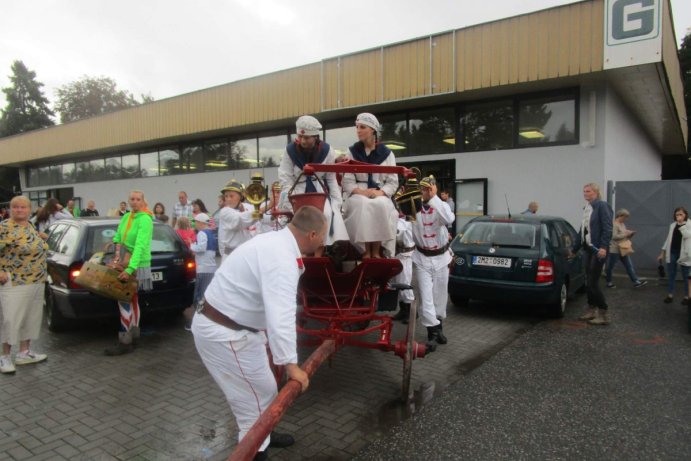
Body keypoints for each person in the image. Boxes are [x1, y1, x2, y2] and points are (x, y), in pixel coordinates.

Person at [191, 206, 326, 460]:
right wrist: (290, 365)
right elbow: (281, 314)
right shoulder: (281, 258)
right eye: (322, 236)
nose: (323, 241)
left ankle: (266, 435)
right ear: (311, 236)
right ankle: (256, 451)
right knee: (251, 407)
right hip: (225, 334)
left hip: (236, 329)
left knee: (264, 390)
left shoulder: (275, 242)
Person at [278, 115, 348, 254]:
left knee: (326, 213)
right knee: (299, 218)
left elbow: (331, 178)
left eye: (307, 137)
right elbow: (285, 177)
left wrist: (336, 201)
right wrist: (289, 198)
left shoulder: (327, 151)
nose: (303, 140)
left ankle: (319, 254)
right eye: (300, 136)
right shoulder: (289, 151)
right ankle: (301, 253)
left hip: (319, 190)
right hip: (297, 189)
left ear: (315, 137)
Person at [0, 196, 50, 374]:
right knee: (11, 319)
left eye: (23, 207)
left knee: (31, 317)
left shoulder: (30, 226)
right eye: (16, 207)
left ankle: (24, 352)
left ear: (30, 210)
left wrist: (40, 237)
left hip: (36, 280)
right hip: (15, 281)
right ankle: (4, 356)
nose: (19, 210)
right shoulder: (4, 227)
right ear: (10, 209)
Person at [342, 113, 398, 258]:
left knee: (382, 204)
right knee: (362, 204)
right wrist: (361, 192)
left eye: (362, 127)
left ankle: (377, 250)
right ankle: (365, 250)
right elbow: (347, 181)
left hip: (379, 191)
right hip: (359, 192)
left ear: (372, 130)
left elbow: (393, 182)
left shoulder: (387, 154)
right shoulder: (352, 152)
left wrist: (380, 193)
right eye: (357, 127)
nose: (358, 130)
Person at [105, 190, 154, 356]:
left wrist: (130, 269)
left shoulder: (145, 219)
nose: (134, 202)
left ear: (143, 201)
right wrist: (113, 250)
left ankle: (125, 341)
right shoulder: (127, 216)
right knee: (132, 299)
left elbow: (140, 246)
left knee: (124, 299)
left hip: (136, 264)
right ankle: (133, 336)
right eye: (132, 199)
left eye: (138, 199)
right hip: (124, 261)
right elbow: (119, 236)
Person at [411, 176, 455, 347]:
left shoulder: (442, 206)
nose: (426, 191)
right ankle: (432, 332)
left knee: (440, 296)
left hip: (442, 258)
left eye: (429, 188)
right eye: (423, 189)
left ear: (434, 188)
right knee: (426, 297)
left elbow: (449, 219)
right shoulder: (413, 209)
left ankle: (439, 328)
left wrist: (434, 197)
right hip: (422, 259)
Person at [571, 183, 613, 326]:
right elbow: (582, 231)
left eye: (588, 191)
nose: (585, 193)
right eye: (584, 191)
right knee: (588, 281)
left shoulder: (602, 205)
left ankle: (603, 313)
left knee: (593, 282)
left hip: (598, 249)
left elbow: (608, 228)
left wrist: (603, 246)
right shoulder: (588, 208)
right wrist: (573, 250)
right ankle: (591, 309)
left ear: (595, 192)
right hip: (588, 248)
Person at [184, 213, 218, 331]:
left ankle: (198, 323)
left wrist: (191, 245)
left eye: (196, 222)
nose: (195, 224)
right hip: (210, 267)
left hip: (203, 268)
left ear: (201, 223)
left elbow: (201, 248)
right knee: (205, 295)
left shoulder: (202, 233)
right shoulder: (211, 233)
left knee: (199, 296)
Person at [605, 209, 647, 289]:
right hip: (615, 249)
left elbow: (624, 235)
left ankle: (636, 282)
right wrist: (625, 234)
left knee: (629, 265)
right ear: (620, 216)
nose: (625, 219)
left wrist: (630, 234)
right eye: (625, 217)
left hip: (623, 248)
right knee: (611, 266)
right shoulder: (614, 225)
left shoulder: (622, 224)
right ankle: (609, 282)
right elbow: (614, 236)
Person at [658, 207, 691, 304]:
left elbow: (687, 235)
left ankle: (687, 297)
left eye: (681, 214)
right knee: (671, 274)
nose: (679, 216)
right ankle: (670, 295)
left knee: (686, 276)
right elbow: (668, 239)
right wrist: (662, 253)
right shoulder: (672, 225)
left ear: (685, 214)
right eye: (677, 215)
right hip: (672, 251)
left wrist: (681, 225)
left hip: (685, 254)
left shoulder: (689, 224)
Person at [217, 179, 255, 263]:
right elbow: (240, 220)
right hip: (231, 256)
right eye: (226, 196)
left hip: (247, 255)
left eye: (231, 196)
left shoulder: (249, 207)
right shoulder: (225, 212)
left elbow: (264, 219)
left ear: (241, 197)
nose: (228, 199)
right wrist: (260, 212)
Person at [391, 213, 415, 324]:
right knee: (397, 283)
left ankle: (412, 313)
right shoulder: (397, 219)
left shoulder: (408, 221)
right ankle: (403, 310)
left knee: (404, 283)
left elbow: (399, 234)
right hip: (396, 255)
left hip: (405, 256)